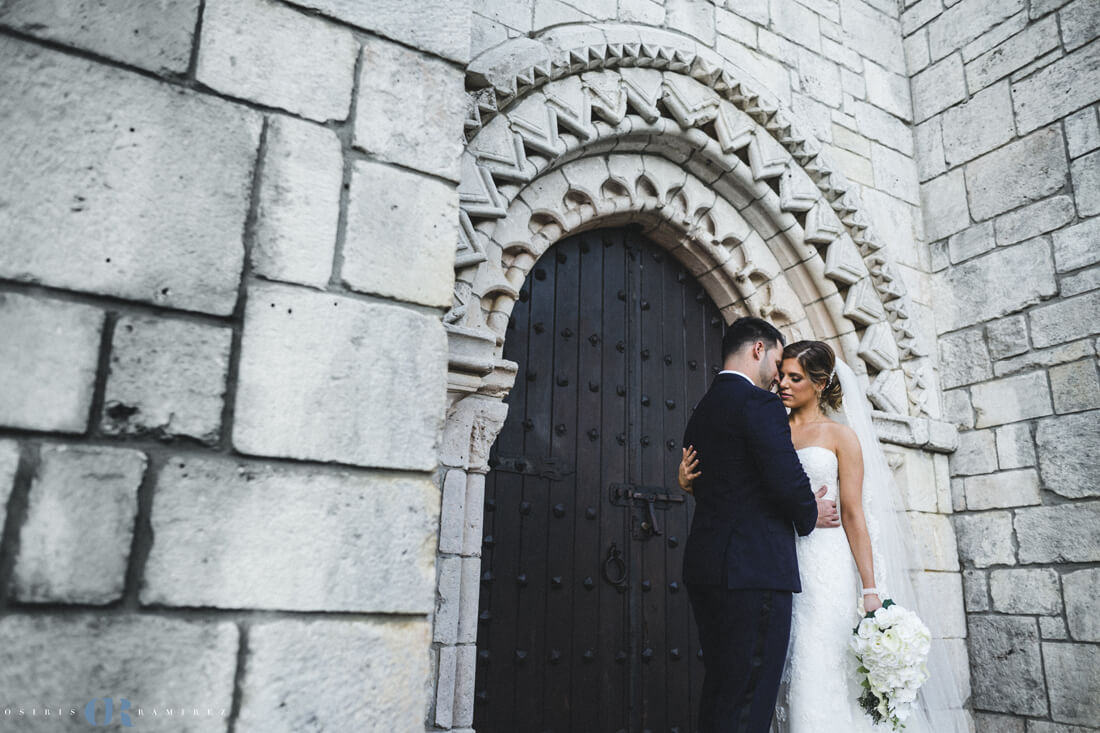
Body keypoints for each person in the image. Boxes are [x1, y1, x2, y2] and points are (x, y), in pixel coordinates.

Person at [681, 340, 968, 733]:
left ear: (819, 384)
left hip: (824, 565)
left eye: (794, 377)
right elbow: (736, 486)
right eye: (781, 374)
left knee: (818, 665)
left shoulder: (840, 437)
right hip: (773, 560)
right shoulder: (766, 423)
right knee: (769, 676)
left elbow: (853, 514)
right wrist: (689, 483)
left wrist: (871, 588)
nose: (782, 383)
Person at [679, 319, 839, 733]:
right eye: (777, 359)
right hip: (754, 571)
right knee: (749, 699)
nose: (777, 375)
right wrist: (810, 512)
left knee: (720, 690)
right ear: (758, 350)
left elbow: (717, 482)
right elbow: (785, 478)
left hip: (706, 567)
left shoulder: (702, 409)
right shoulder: (759, 404)